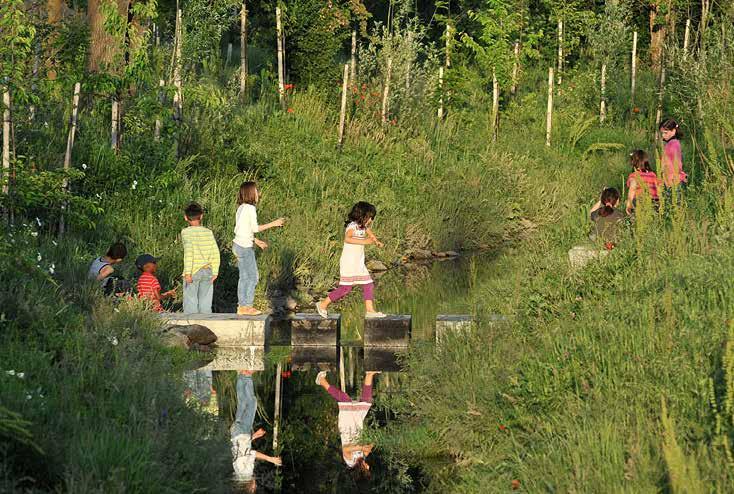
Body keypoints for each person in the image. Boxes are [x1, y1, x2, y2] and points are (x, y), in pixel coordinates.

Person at [316, 202, 385, 319]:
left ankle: (370, 310)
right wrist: (365, 242)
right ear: (362, 216)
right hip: (349, 263)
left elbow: (368, 232)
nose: (371, 220)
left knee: (368, 284)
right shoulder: (352, 226)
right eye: (370, 218)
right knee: (345, 289)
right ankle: (322, 304)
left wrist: (375, 240)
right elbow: (347, 239)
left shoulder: (363, 227)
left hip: (358, 263)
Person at [233, 181, 285, 316]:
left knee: (244, 277)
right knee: (253, 277)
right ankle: (247, 306)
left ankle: (242, 306)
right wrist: (274, 223)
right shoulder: (250, 208)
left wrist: (256, 241)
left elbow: (241, 230)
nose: (259, 194)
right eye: (257, 191)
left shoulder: (241, 208)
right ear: (250, 193)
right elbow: (255, 228)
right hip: (244, 247)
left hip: (238, 245)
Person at [316, 370, 380, 479]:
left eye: (367, 469)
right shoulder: (362, 458)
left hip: (347, 427)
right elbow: (370, 445)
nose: (368, 467)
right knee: (366, 402)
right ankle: (369, 375)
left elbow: (346, 449)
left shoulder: (350, 461)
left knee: (345, 399)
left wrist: (361, 447)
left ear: (361, 470)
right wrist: (371, 446)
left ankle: (321, 381)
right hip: (356, 425)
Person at [231, 370, 282, 491]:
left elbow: (252, 454)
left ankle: (247, 376)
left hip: (241, 432)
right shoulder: (240, 473)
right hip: (238, 434)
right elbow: (242, 449)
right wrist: (254, 436)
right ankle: (242, 375)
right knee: (243, 403)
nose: (256, 486)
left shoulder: (246, 473)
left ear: (249, 488)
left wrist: (271, 459)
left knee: (252, 403)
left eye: (254, 489)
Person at [181, 202, 220, 314]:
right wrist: (215, 272)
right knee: (206, 303)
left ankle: (192, 328)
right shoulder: (208, 232)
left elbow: (189, 252)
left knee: (190, 302)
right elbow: (215, 252)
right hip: (208, 270)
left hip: (193, 271)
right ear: (201, 216)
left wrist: (188, 272)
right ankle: (205, 326)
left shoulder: (186, 232)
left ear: (185, 217)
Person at [625, 149, 660, 215]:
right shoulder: (653, 175)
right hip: (655, 202)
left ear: (634, 162)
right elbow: (658, 188)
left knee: (638, 219)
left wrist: (629, 204)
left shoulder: (634, 175)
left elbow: (632, 188)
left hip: (640, 201)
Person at [659, 118, 687, 193]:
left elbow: (676, 164)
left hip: (674, 182)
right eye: (662, 133)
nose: (663, 135)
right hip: (672, 181)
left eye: (665, 133)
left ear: (674, 131)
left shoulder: (673, 144)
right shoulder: (672, 143)